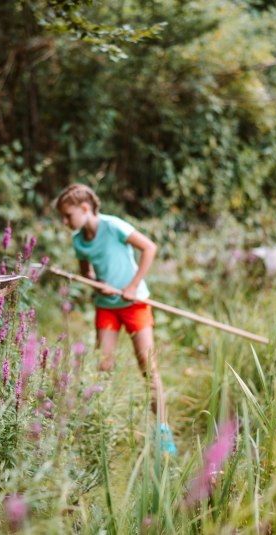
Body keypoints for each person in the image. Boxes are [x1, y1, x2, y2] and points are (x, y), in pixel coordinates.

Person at [55, 183, 176, 455]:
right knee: (103, 366)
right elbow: (88, 274)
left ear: (85, 209)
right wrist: (98, 283)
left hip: (135, 303)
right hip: (106, 306)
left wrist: (132, 286)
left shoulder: (113, 226)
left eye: (68, 215)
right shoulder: (79, 241)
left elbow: (150, 248)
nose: (65, 222)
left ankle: (163, 430)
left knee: (147, 367)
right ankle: (102, 429)